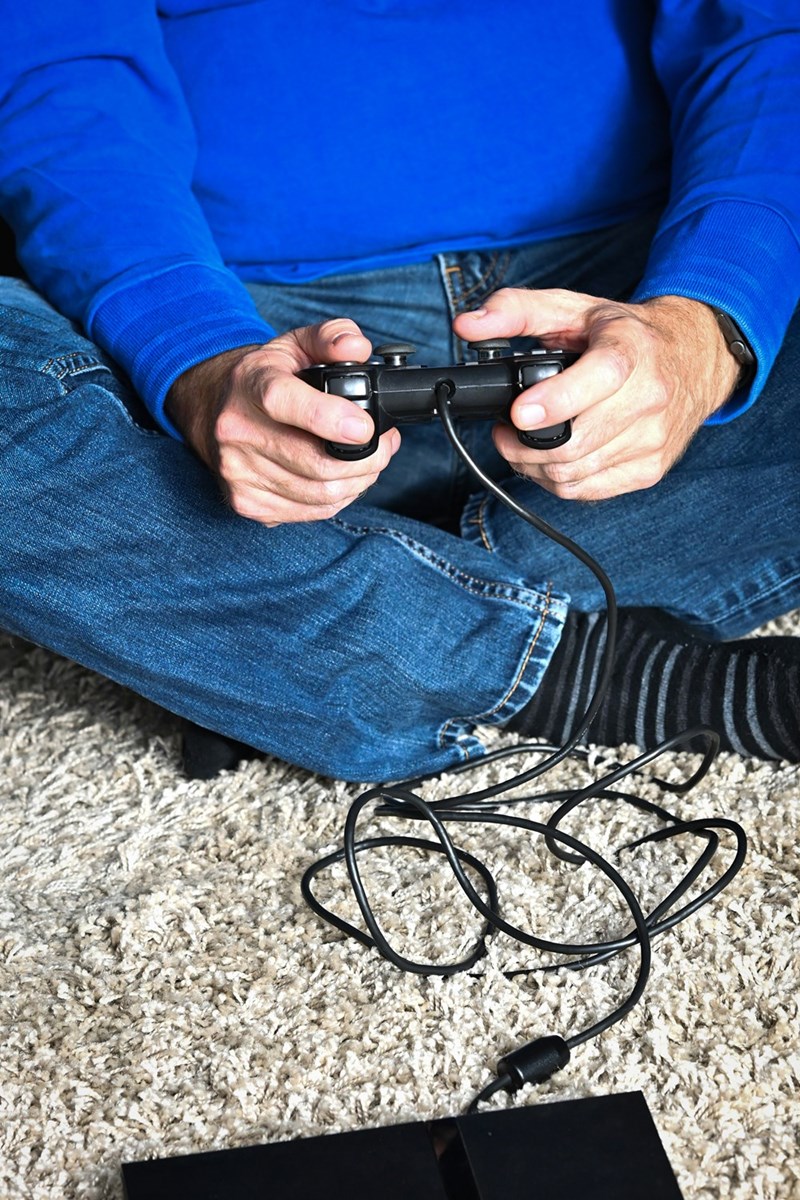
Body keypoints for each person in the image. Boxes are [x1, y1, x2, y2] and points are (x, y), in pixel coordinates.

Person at [0, 2, 798, 782]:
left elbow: (769, 36)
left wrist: (703, 331)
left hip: (644, 281)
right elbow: (63, 67)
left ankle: (259, 628)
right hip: (238, 312)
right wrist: (200, 365)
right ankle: (602, 675)